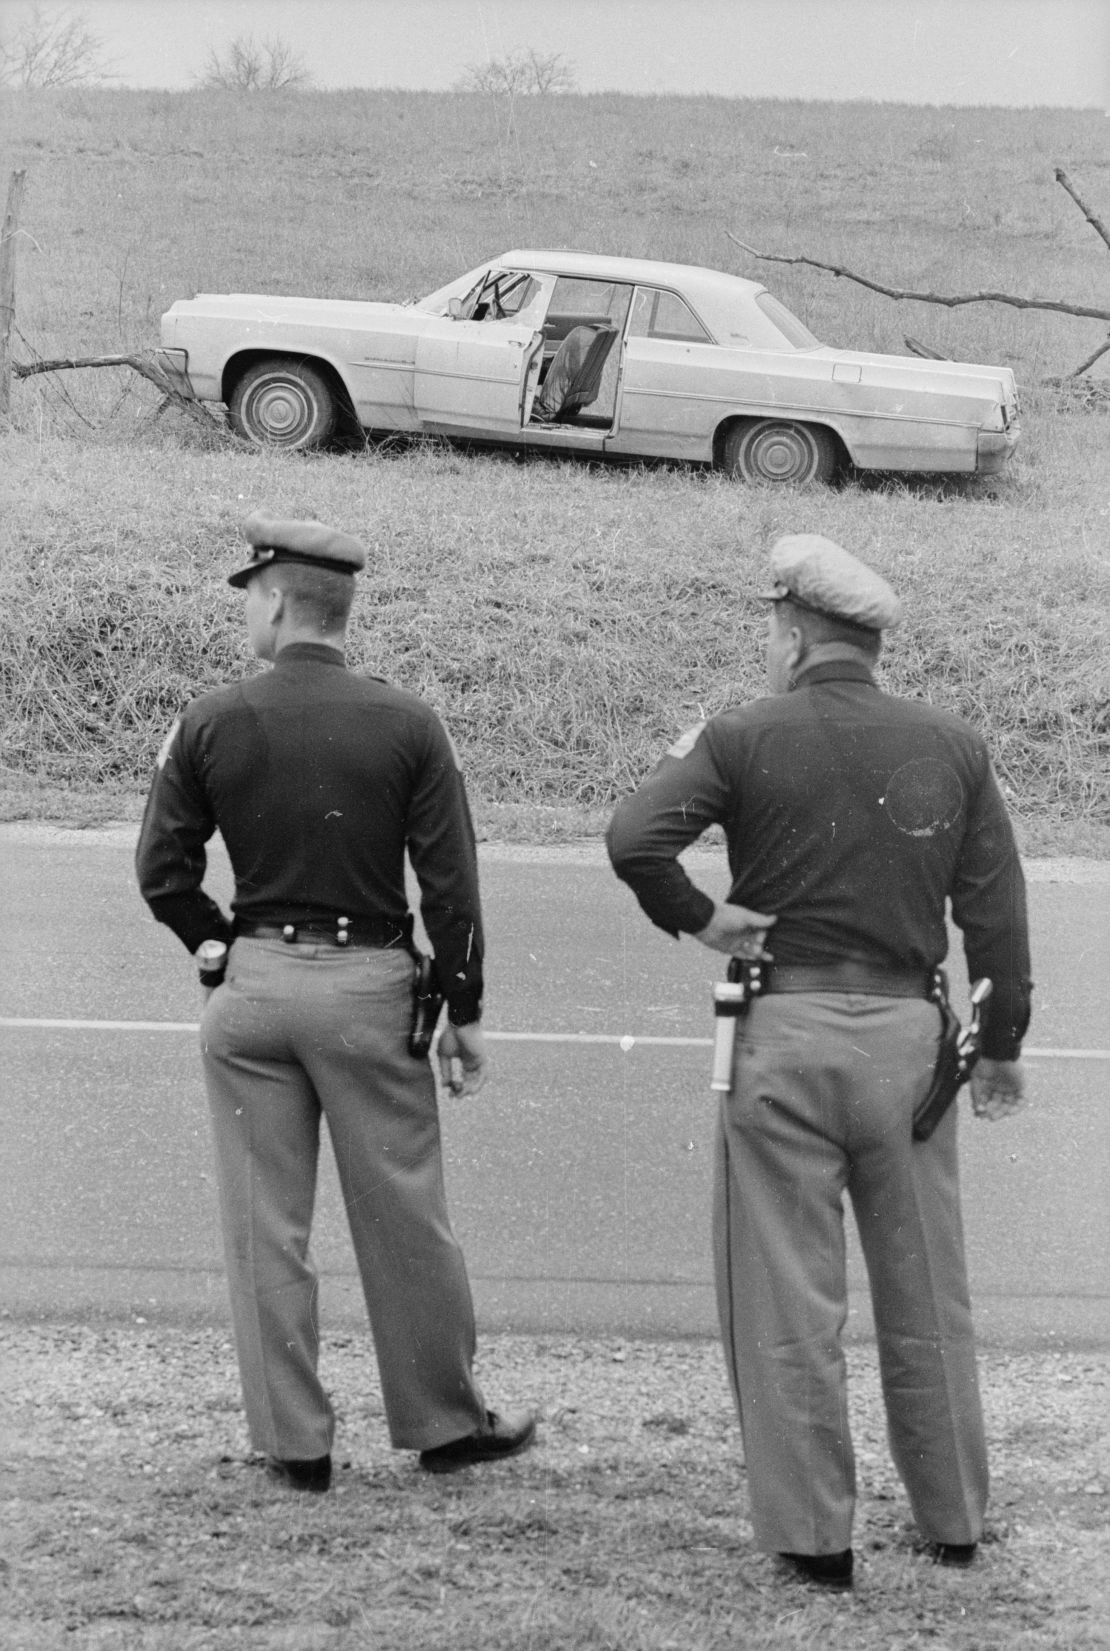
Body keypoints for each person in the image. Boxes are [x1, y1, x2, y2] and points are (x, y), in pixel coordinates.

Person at [606, 534, 1031, 1591]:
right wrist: (1002, 1046)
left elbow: (633, 836)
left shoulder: (745, 734)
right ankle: (954, 1519)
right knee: (929, 1288)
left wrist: (704, 919)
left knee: (787, 1293)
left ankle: (811, 1538)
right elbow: (996, 917)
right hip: (908, 1045)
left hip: (785, 1031)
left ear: (792, 634)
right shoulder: (954, 743)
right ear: (870, 642)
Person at [136, 511, 535, 1491]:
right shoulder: (407, 723)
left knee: (263, 1222)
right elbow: (452, 886)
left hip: (257, 984)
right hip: (369, 988)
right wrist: (464, 1006)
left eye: (251, 600)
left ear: (275, 600)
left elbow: (160, 869)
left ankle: (294, 1445)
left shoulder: (212, 718)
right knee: (405, 1212)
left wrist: (212, 937)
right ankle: (444, 1426)